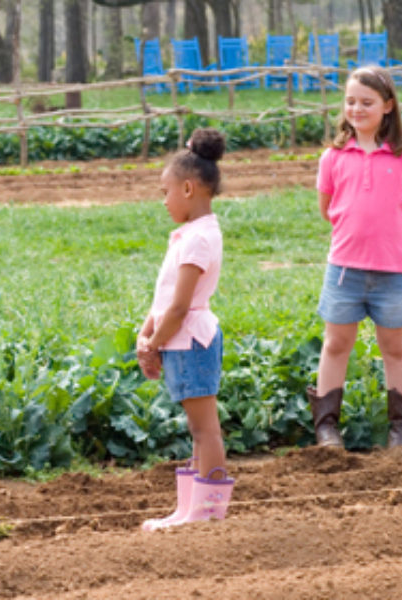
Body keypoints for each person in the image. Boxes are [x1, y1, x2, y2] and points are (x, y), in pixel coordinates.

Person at [308, 66, 402, 449]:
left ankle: (401, 429)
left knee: (394, 346)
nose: (356, 109)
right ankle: (326, 427)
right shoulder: (333, 156)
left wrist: (387, 226)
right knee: (335, 343)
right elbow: (328, 208)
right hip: (344, 268)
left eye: (367, 102)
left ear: (388, 106)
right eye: (350, 102)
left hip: (392, 270)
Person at [137, 128, 234, 531]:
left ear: (189, 188)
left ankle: (207, 511)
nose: (164, 201)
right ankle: (190, 510)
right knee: (197, 428)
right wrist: (149, 331)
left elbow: (179, 306)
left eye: (167, 191)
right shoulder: (190, 235)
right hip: (180, 339)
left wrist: (152, 345)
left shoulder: (198, 240)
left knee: (204, 428)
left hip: (190, 341)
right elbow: (165, 296)